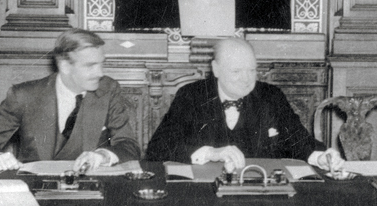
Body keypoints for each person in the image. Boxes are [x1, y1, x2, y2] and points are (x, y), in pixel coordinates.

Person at [145, 37, 344, 173]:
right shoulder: (191, 95)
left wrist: (322, 157)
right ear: (216, 69)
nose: (246, 79)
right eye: (236, 71)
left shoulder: (271, 96)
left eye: (251, 70)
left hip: (261, 195)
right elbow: (157, 149)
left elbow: (299, 141)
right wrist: (211, 153)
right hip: (204, 196)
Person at [0, 28, 140, 172]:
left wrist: (103, 155)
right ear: (65, 66)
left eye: (101, 64)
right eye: (90, 66)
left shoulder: (108, 90)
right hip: (35, 187)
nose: (100, 73)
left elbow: (128, 145)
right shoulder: (24, 95)